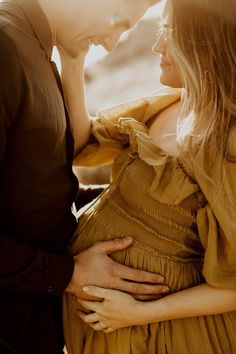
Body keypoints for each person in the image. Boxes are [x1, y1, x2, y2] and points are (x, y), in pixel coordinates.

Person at [63, 0, 236, 353]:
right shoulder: (171, 102)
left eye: (169, 33)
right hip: (112, 323)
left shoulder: (228, 139)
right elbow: (83, 146)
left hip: (162, 333)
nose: (158, 45)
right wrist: (72, 60)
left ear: (202, 42)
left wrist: (141, 314)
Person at [0, 0, 166, 353]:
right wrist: (68, 274)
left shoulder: (38, 50)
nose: (110, 43)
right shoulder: (5, 48)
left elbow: (35, 190)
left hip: (34, 324)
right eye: (119, 22)